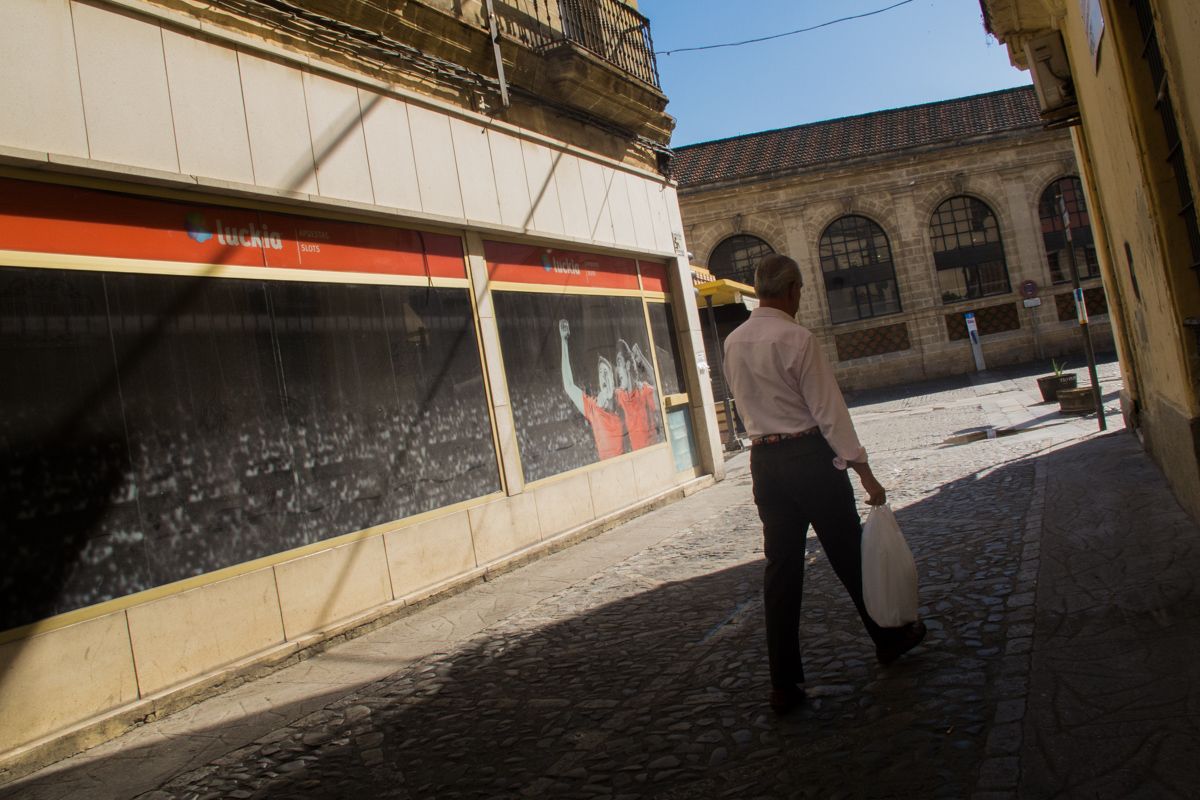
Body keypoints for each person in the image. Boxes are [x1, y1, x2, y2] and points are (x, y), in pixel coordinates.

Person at [722, 254, 926, 715]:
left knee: (782, 568)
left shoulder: (734, 341)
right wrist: (863, 469)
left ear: (758, 290)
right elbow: (828, 411)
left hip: (765, 461)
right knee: (848, 552)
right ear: (793, 289)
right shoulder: (797, 338)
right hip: (808, 457)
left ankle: (783, 683)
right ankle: (889, 639)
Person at [559, 319, 626, 459]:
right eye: (601, 374)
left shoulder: (621, 399)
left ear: (614, 382)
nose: (604, 377)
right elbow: (569, 386)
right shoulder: (593, 408)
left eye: (606, 373)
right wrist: (564, 341)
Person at [615, 339, 662, 450]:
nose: (617, 369)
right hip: (638, 454)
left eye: (619, 363)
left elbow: (658, 387)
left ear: (627, 365)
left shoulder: (644, 390)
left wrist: (641, 357)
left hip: (653, 449)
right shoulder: (621, 395)